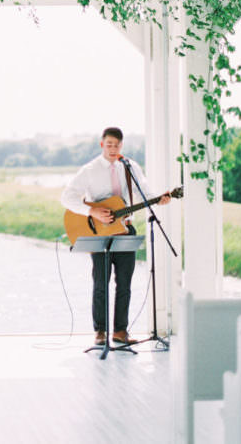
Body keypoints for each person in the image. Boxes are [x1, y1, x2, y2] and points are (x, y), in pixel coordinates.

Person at [60, 126, 169, 346]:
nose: (113, 148)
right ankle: (100, 331)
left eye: (117, 145)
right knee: (101, 282)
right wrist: (91, 211)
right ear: (102, 144)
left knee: (125, 283)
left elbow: (144, 192)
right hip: (98, 232)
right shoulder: (89, 170)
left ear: (122, 146)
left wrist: (159, 198)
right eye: (109, 144)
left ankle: (120, 331)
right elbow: (67, 197)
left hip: (126, 229)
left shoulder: (130, 167)